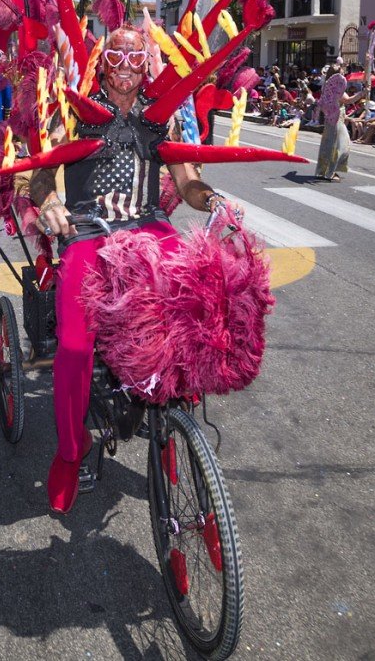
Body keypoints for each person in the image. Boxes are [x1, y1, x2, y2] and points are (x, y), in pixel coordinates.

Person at [29, 26, 237, 514]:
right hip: (87, 231)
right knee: (76, 346)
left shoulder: (164, 114)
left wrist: (214, 202)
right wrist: (52, 204)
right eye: (116, 55)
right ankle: (70, 450)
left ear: (148, 61)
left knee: (195, 301)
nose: (125, 65)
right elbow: (40, 176)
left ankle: (172, 402)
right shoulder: (75, 109)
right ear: (103, 61)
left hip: (148, 227)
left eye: (135, 55)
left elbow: (188, 183)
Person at [315, 66, 364, 181]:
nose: (344, 74)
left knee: (330, 145)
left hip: (333, 119)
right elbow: (347, 100)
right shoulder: (334, 87)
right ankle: (330, 172)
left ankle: (324, 171)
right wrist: (362, 93)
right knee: (340, 146)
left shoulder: (328, 86)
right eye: (342, 72)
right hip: (336, 121)